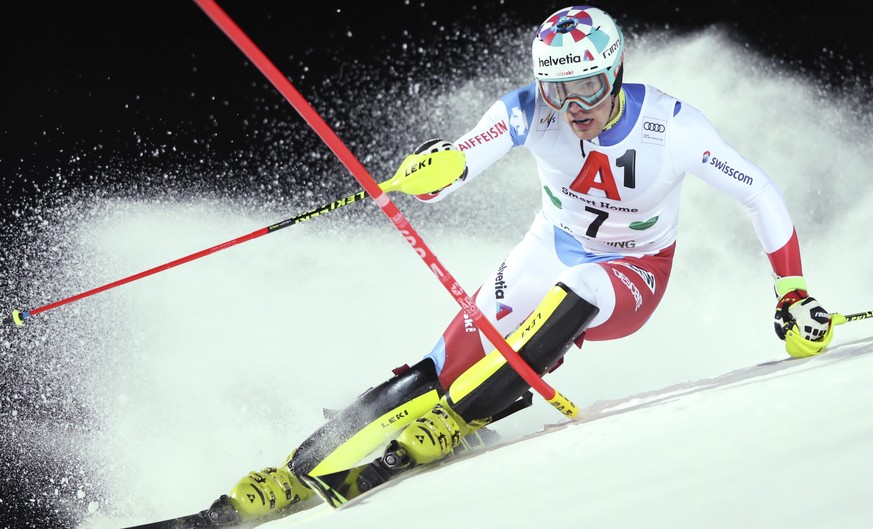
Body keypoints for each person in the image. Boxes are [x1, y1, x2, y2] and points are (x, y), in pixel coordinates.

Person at [182, 5, 837, 526]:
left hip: (633, 271)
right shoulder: (530, 109)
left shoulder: (672, 125)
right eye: (559, 88)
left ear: (613, 73)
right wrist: (431, 172)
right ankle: (293, 470)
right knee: (436, 366)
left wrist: (791, 294)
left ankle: (459, 418)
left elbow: (758, 192)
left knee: (577, 287)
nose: (574, 105)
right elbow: (464, 158)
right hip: (545, 249)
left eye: (587, 84)